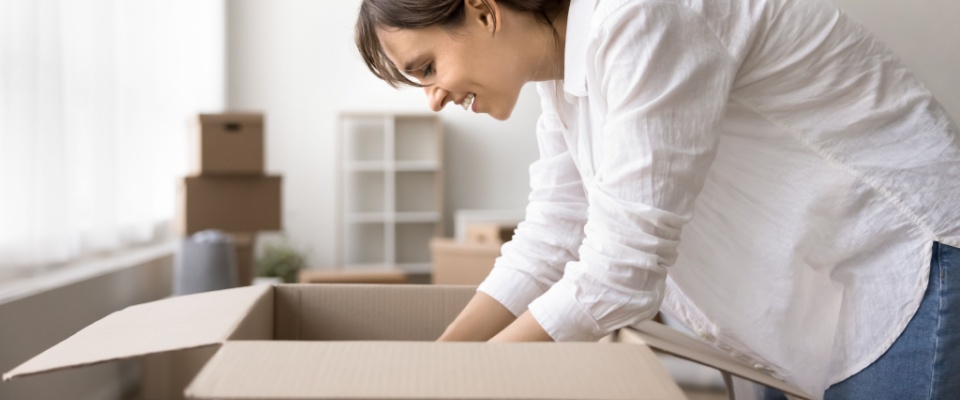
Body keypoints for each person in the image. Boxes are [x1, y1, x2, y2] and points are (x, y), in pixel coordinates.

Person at [355, 0, 960, 398]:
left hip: (901, 261)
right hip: (813, 301)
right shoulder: (564, 75)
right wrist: (435, 365)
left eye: (427, 66)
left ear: (484, 11)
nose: (432, 97)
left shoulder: (642, 14)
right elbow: (551, 235)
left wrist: (460, 384)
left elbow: (621, 273)